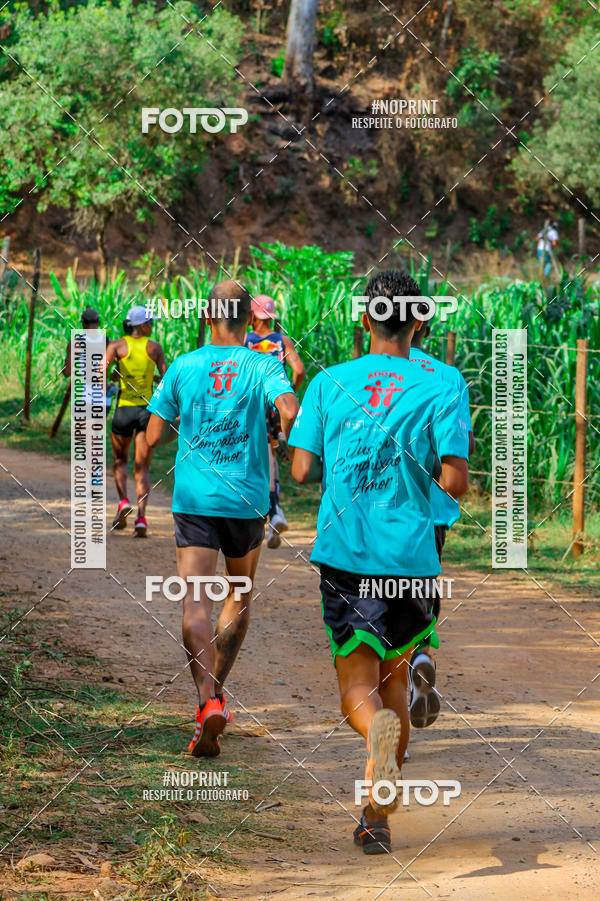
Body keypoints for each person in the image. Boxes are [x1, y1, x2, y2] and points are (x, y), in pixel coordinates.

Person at [290, 269, 469, 854]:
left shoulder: (329, 383)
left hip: (347, 556)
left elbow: (299, 471)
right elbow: (456, 479)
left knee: (358, 688)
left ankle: (375, 740)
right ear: (419, 319)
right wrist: (426, 509)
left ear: (364, 317)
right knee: (395, 678)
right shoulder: (444, 382)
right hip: (414, 555)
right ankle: (376, 816)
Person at [146, 281, 299, 757]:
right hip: (247, 501)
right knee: (240, 594)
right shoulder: (264, 363)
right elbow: (289, 407)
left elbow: (152, 436)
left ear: (206, 318)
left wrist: (184, 420)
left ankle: (208, 700)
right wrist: (285, 436)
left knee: (195, 603)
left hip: (194, 499)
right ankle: (213, 699)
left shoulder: (184, 366)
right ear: (246, 319)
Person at [407, 323, 475, 729]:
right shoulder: (447, 378)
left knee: (376, 615)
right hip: (430, 515)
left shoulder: (359, 375)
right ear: (424, 327)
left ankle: (391, 727)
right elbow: (460, 451)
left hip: (373, 514)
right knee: (419, 599)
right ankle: (421, 657)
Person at [245, 294, 305, 548]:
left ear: (252, 317)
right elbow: (300, 369)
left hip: (255, 407)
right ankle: (273, 512)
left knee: (260, 460)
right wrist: (289, 391)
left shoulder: (245, 342)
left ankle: (270, 512)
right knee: (271, 457)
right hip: (277, 405)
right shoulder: (283, 341)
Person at [102, 305, 167, 537]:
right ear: (141, 325)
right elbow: (166, 379)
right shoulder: (154, 348)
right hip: (146, 413)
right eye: (150, 322)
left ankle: (123, 502)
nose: (153, 326)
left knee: (120, 460)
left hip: (124, 410)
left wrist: (107, 389)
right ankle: (141, 518)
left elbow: (102, 372)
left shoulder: (116, 346)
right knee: (142, 468)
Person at [62, 307, 117, 409]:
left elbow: (67, 372)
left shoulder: (76, 343)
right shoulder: (110, 343)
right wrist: (111, 381)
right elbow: (120, 369)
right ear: (99, 323)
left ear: (83, 324)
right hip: (104, 398)